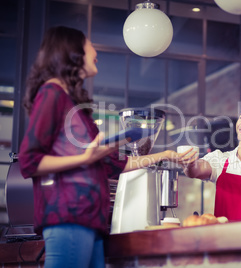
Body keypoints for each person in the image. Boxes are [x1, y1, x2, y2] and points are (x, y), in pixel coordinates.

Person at [18, 26, 192, 268]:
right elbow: (29, 161)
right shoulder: (52, 93)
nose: (95, 51)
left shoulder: (69, 102)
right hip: (69, 217)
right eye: (90, 45)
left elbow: (115, 165)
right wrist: (84, 158)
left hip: (90, 221)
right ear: (72, 52)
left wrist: (165, 155)